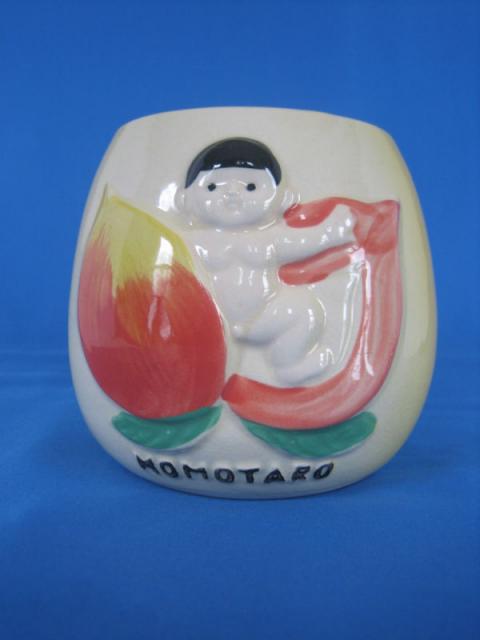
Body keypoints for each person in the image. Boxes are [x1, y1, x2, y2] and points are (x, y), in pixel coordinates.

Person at [175, 138, 356, 385]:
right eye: (213, 187)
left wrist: (332, 232)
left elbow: (304, 242)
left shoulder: (270, 237)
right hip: (205, 319)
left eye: (250, 187)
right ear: (185, 199)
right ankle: (189, 375)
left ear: (284, 199)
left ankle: (290, 365)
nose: (232, 193)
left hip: (265, 317)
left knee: (303, 311)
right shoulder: (190, 240)